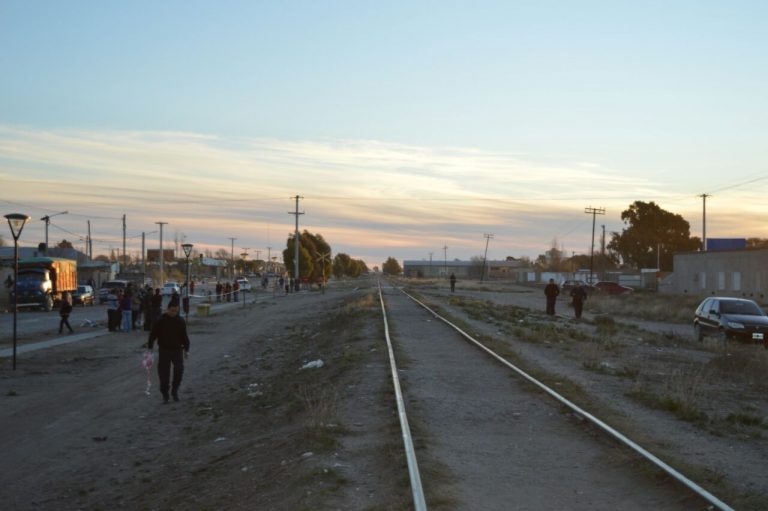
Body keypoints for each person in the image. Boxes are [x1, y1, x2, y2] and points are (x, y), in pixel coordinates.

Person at [146, 302, 190, 403]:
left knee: (179, 371)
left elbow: (184, 337)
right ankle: (165, 394)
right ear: (167, 309)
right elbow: (153, 335)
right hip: (164, 350)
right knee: (163, 374)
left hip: (177, 350)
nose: (174, 313)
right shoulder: (160, 321)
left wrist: (187, 350)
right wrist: (150, 348)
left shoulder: (180, 321)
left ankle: (175, 391)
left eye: (176, 311)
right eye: (172, 310)